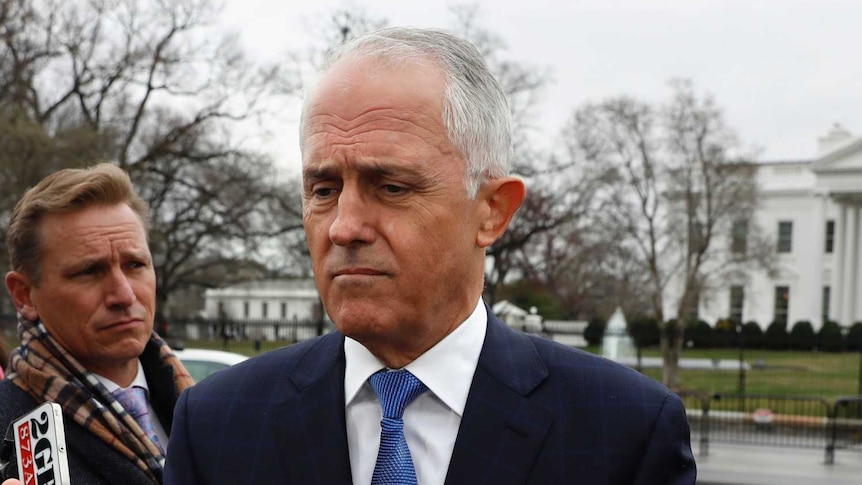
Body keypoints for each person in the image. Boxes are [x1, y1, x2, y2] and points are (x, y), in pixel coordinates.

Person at [165, 27, 696, 485]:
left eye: (392, 187)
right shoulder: (216, 424)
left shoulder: (625, 431)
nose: (344, 227)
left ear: (491, 211)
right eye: (324, 190)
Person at [0, 163, 194, 485]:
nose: (124, 293)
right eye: (90, 271)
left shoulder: (213, 410)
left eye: (135, 264)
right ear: (24, 295)